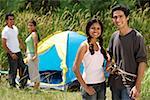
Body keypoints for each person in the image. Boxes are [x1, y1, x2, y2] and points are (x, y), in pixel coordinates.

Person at [107, 4, 147, 100]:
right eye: (115, 17)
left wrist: (137, 86)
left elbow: (142, 62)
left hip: (129, 85)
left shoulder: (137, 37)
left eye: (121, 16)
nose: (117, 20)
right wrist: (109, 64)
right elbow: (109, 54)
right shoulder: (114, 36)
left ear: (127, 17)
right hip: (115, 84)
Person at [73, 19, 108, 100]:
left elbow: (106, 61)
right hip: (89, 84)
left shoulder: (99, 46)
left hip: (102, 84)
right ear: (88, 29)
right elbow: (75, 68)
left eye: (98, 28)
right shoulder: (84, 46)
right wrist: (85, 87)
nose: (96, 31)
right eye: (93, 28)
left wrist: (109, 65)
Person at [1, 13, 27, 89]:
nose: (12, 21)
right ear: (6, 21)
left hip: (18, 51)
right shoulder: (5, 31)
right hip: (11, 53)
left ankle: (22, 84)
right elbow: (4, 44)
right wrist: (11, 54)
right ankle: (12, 85)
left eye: (13, 19)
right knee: (13, 70)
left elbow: (17, 38)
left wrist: (23, 46)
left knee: (23, 67)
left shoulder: (15, 28)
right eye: (10, 19)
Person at [25, 20, 40, 90]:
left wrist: (35, 54)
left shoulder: (34, 34)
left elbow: (35, 44)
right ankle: (35, 86)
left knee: (34, 71)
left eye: (31, 25)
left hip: (32, 54)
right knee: (32, 70)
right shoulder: (31, 34)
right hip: (29, 54)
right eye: (29, 25)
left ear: (34, 26)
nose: (30, 27)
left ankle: (36, 86)